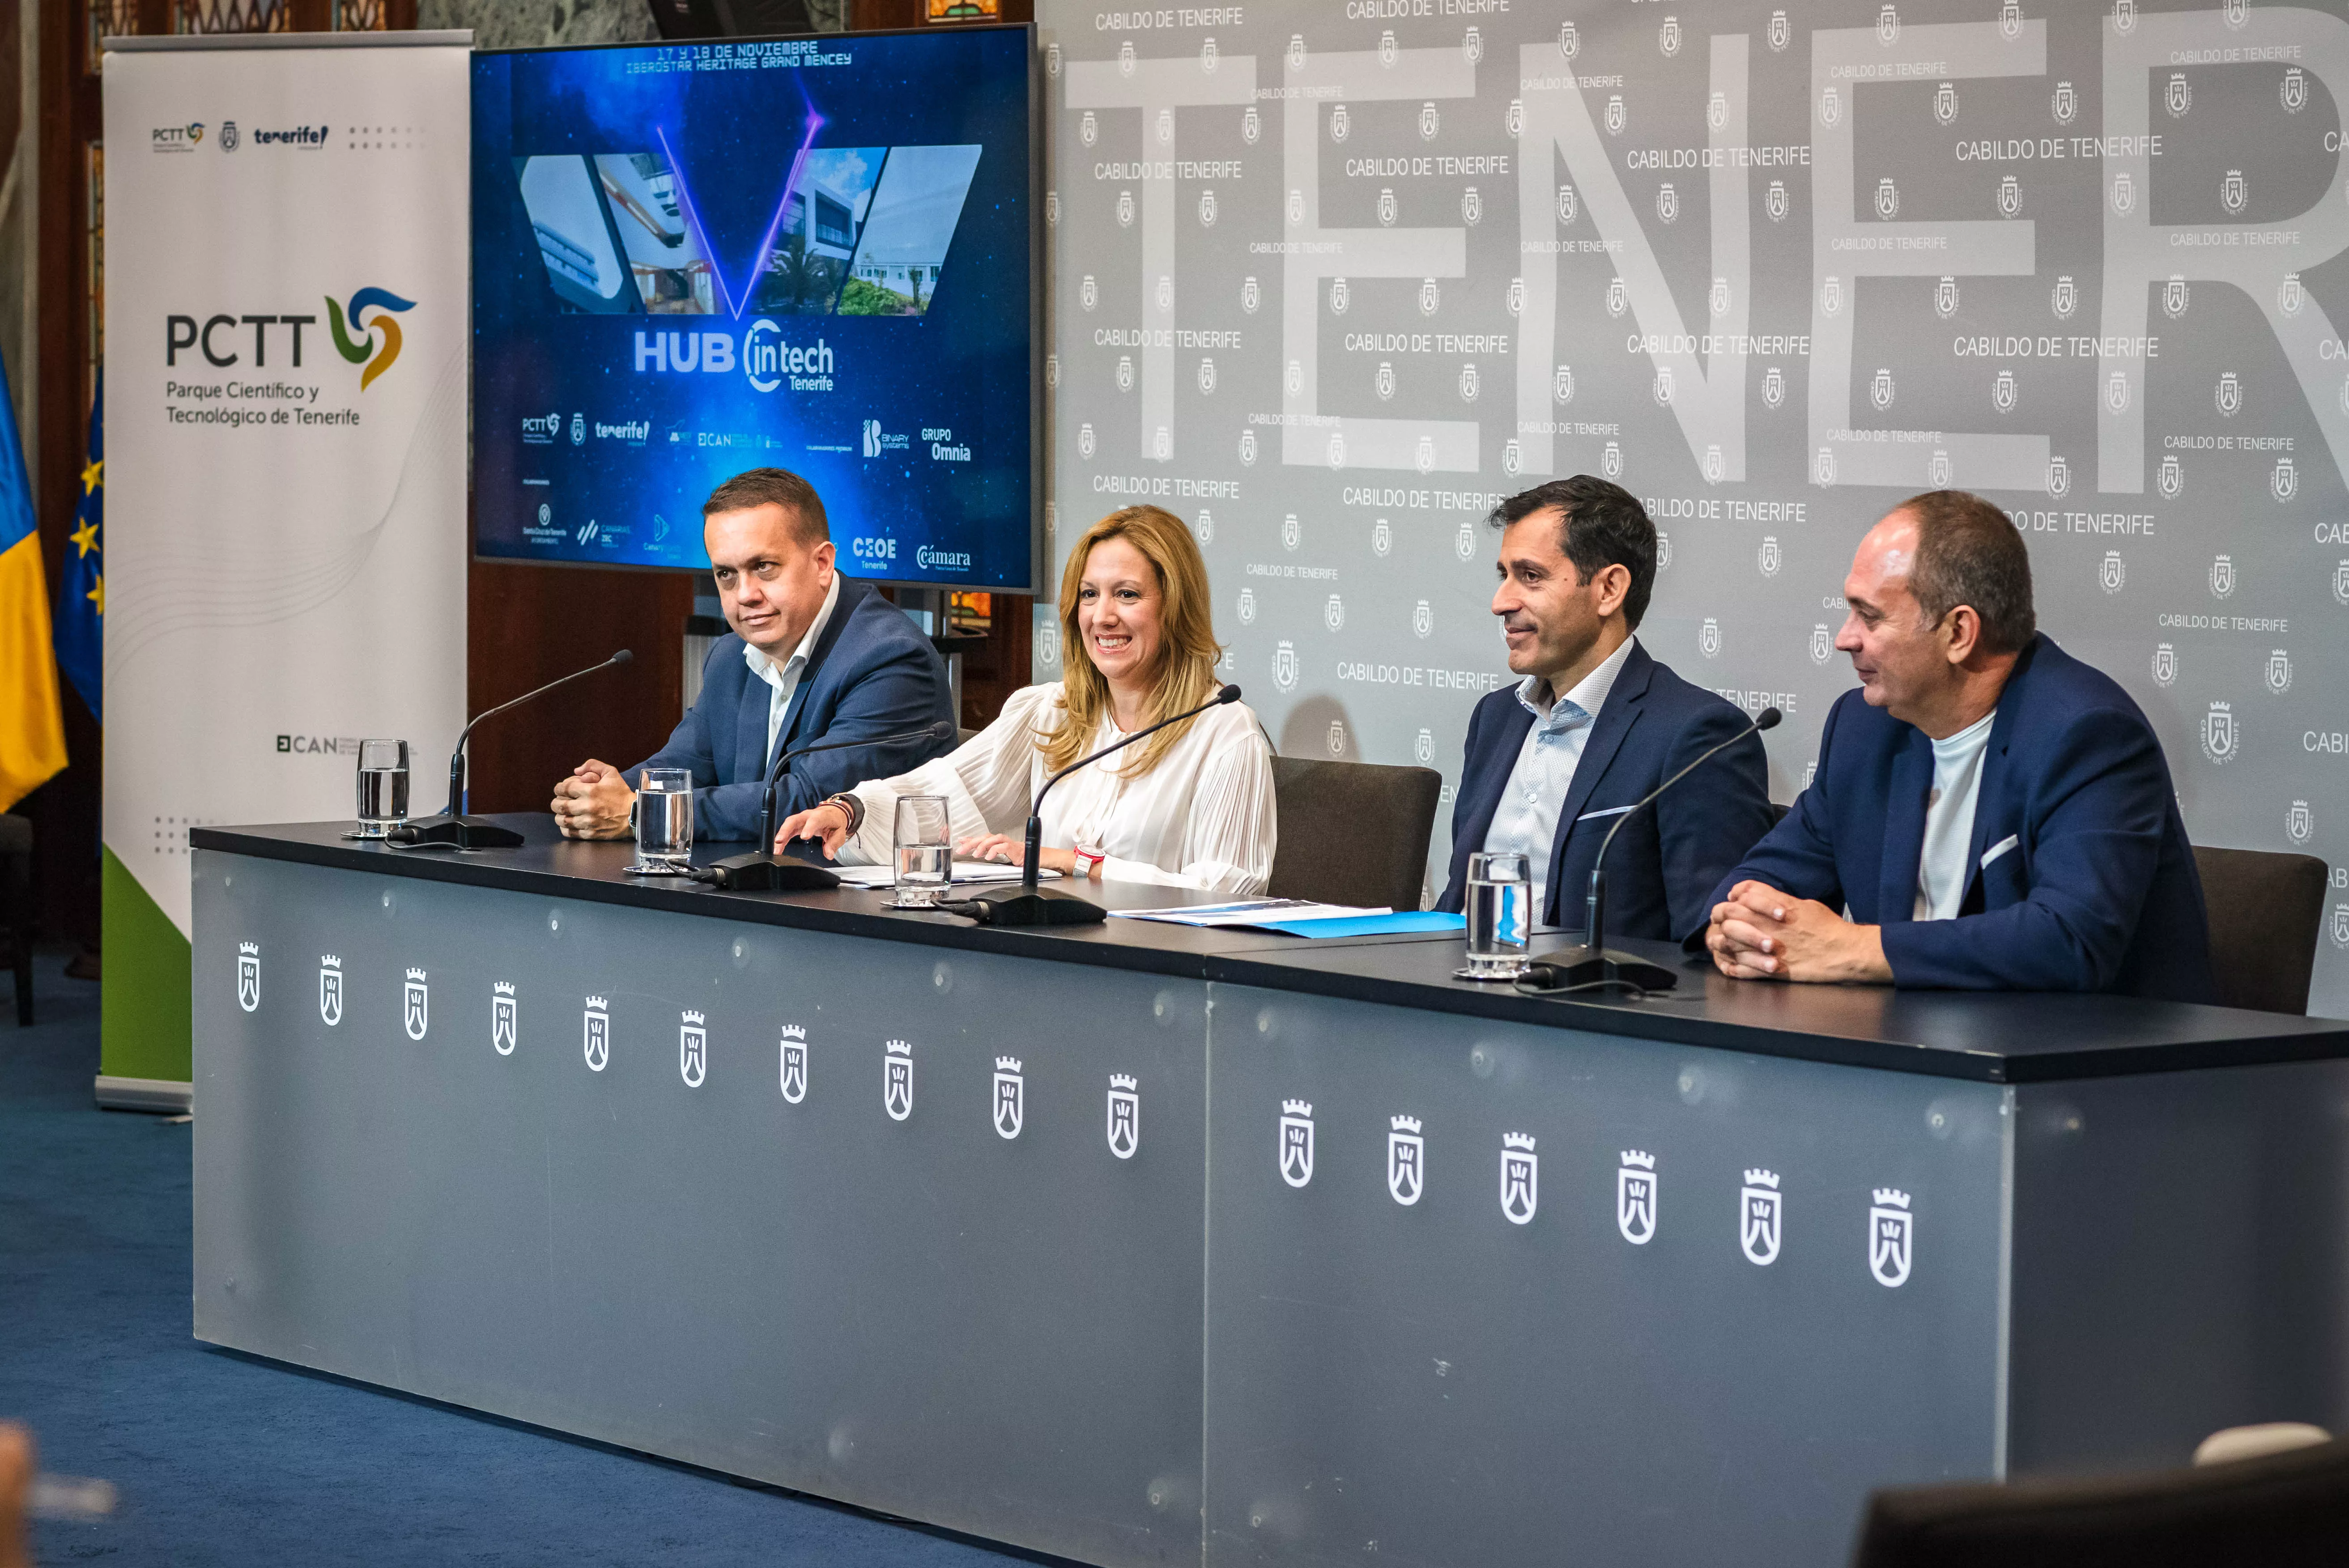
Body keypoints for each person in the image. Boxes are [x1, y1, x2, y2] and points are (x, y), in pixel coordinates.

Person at [1704, 489, 2216, 1000]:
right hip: (1911, 1053)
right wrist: (1736, 927)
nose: (1844, 638)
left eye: (1871, 616)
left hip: (2081, 1062)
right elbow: (1762, 879)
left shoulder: (2088, 734)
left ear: (1959, 632)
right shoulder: (1865, 728)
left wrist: (1856, 949)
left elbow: (2071, 940)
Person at [775, 504, 1275, 894]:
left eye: (1127, 595)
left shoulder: (1224, 731)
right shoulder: (1052, 712)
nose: (1102, 616)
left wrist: (1078, 864)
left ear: (1176, 606)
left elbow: (1228, 892)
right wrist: (851, 810)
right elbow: (945, 792)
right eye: (1089, 594)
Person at [1436, 476, 1775, 942]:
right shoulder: (1495, 718)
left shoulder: (1697, 734)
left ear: (1609, 589)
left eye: (1531, 576)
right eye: (1504, 575)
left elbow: (1710, 943)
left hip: (1594, 1007)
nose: (1501, 602)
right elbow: (1456, 905)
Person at [551, 467, 956, 841]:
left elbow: (806, 800)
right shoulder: (731, 655)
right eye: (726, 574)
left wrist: (644, 811)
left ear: (822, 563)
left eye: (763, 567)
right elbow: (686, 761)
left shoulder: (890, 659)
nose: (745, 595)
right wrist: (609, 793)